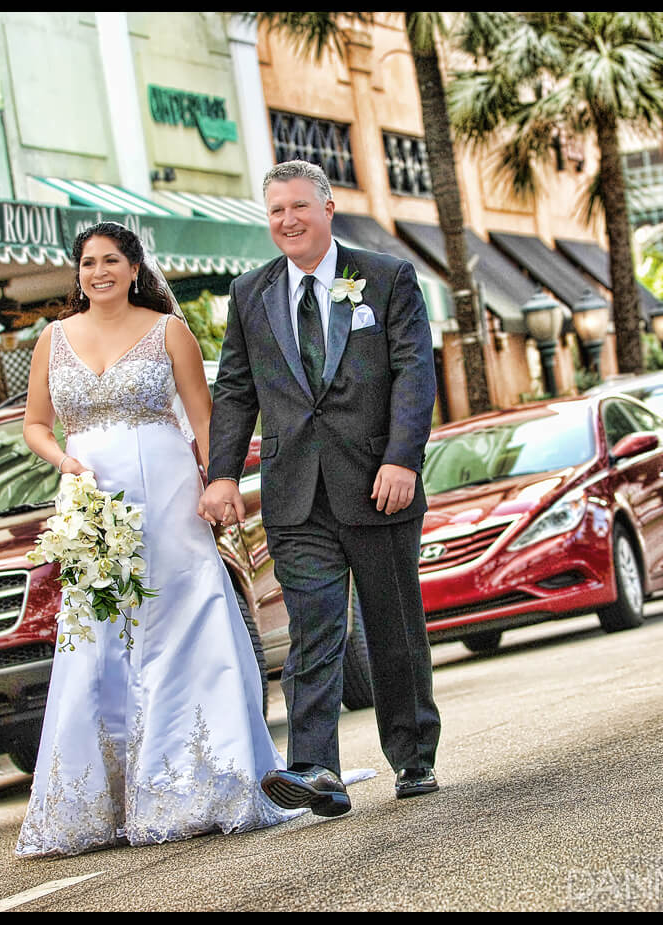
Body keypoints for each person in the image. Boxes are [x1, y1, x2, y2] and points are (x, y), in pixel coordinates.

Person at [14, 221, 330, 857]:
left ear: (135, 269)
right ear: (77, 274)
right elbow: (35, 425)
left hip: (166, 493)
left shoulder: (169, 332)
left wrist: (221, 485)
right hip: (91, 498)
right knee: (100, 633)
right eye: (87, 263)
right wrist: (64, 464)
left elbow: (207, 417)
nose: (98, 272)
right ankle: (102, 798)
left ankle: (195, 782)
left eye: (110, 261)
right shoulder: (53, 339)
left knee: (182, 619)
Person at [199, 161, 442, 817]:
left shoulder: (386, 277)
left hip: (377, 486)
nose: (287, 221)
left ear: (328, 209)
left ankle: (414, 755)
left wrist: (402, 458)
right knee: (313, 628)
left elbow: (415, 374)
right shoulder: (250, 293)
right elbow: (236, 389)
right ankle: (315, 769)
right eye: (275, 211)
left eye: (298, 207)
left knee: (392, 630)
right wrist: (221, 472)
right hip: (295, 492)